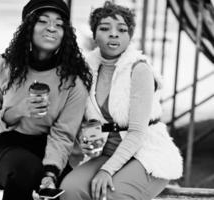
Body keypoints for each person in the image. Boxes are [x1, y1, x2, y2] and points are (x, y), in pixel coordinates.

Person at [60, 2, 183, 200]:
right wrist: (88, 140)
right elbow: (85, 119)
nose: (114, 34)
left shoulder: (139, 69)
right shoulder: (86, 69)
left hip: (146, 153)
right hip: (106, 151)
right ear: (94, 34)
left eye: (122, 29)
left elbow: (137, 132)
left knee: (111, 194)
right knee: (70, 189)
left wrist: (107, 170)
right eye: (105, 28)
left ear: (130, 36)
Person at [0, 0, 92, 199]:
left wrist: (50, 173)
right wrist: (16, 111)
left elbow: (63, 135)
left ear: (66, 34)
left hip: (52, 152)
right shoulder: (3, 67)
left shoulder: (74, 81)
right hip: (10, 149)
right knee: (26, 168)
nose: (51, 28)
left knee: (71, 191)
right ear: (28, 27)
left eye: (59, 24)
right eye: (43, 21)